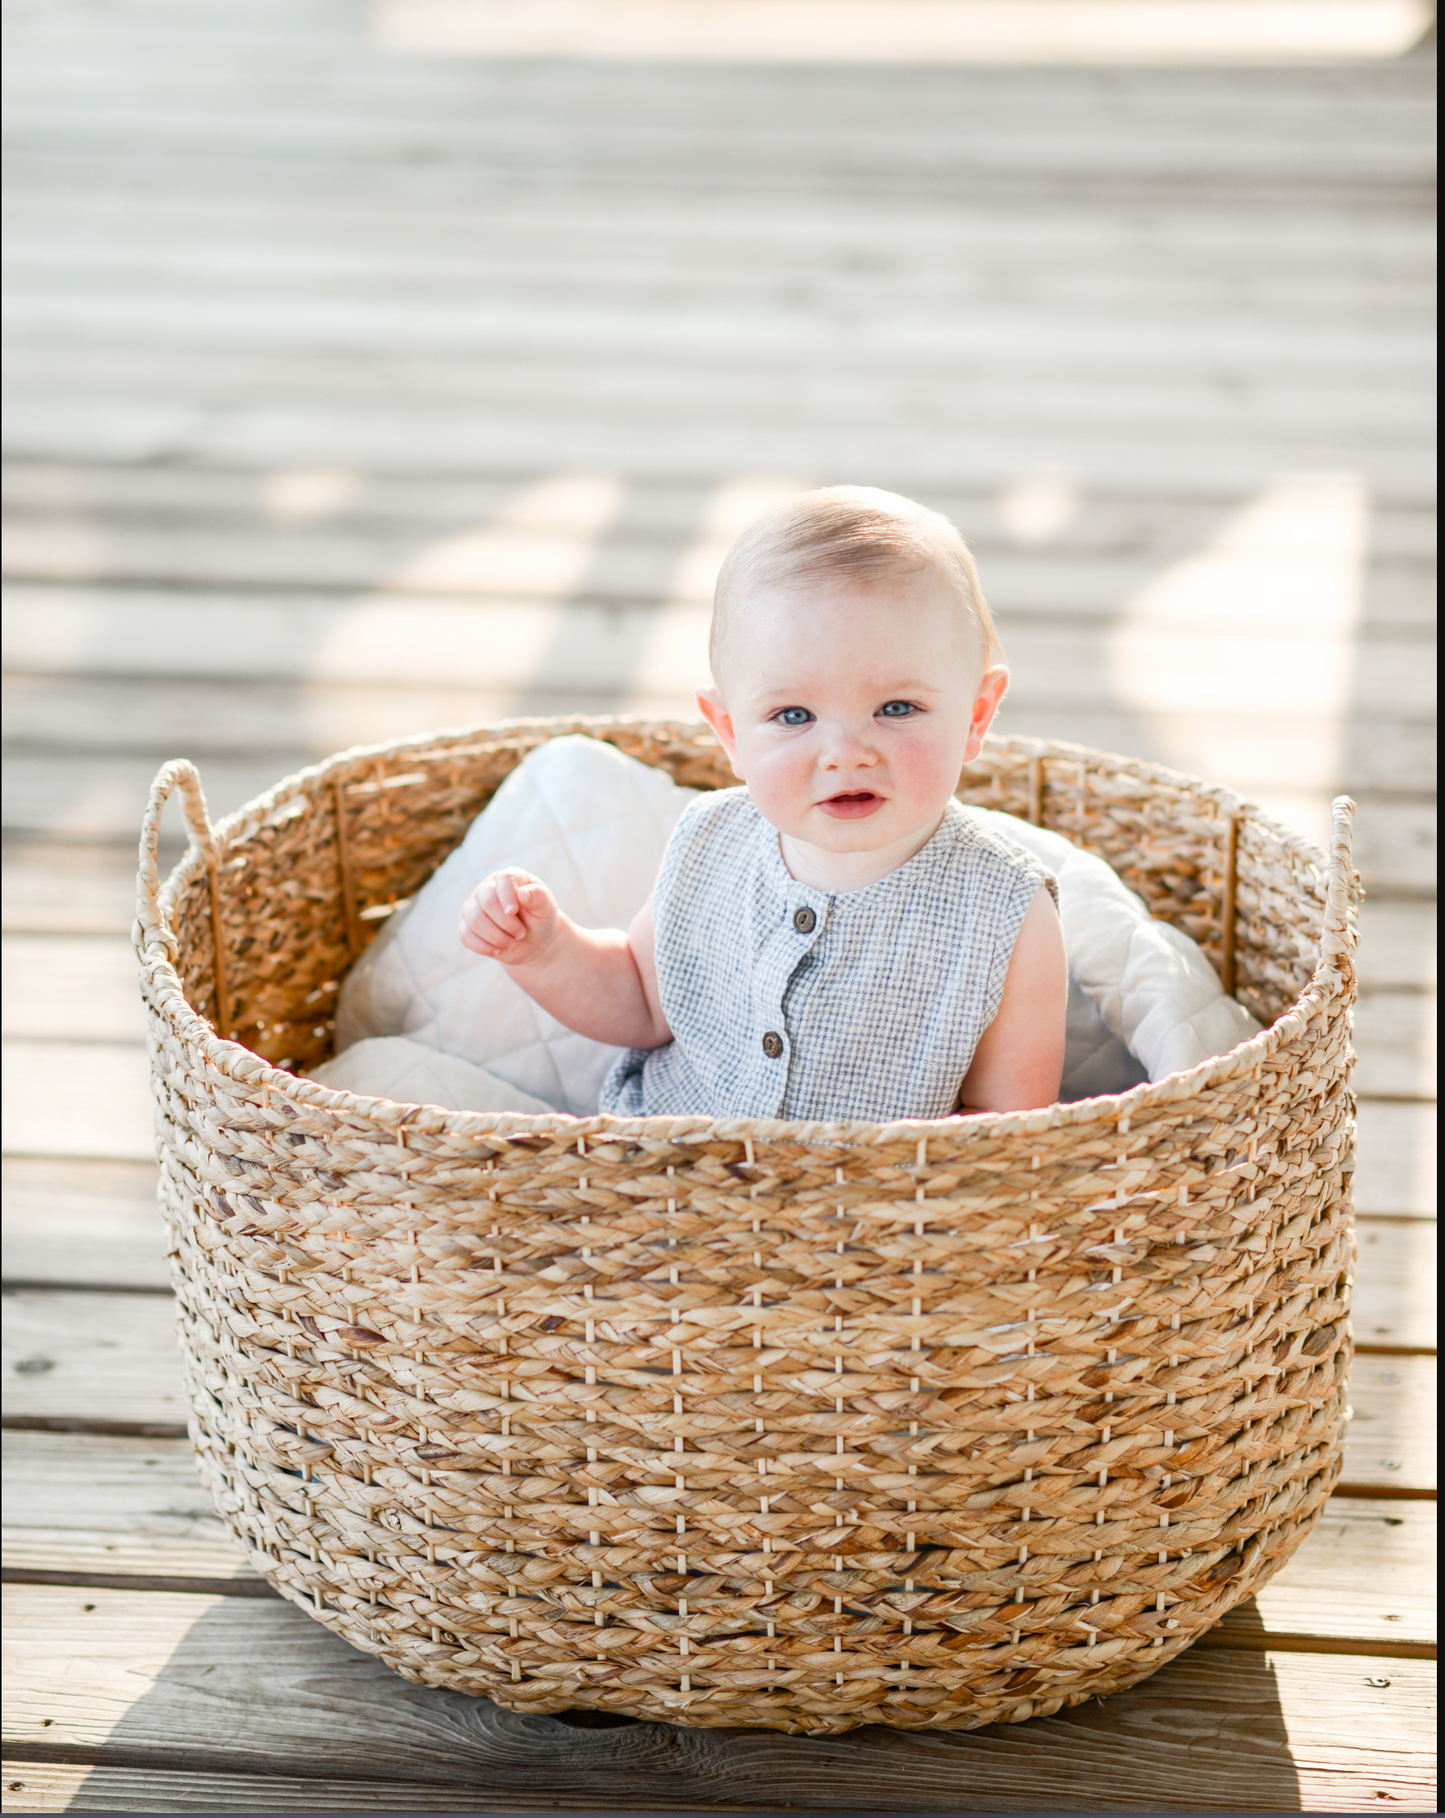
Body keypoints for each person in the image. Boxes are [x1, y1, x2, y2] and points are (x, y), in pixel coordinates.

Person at [458, 487, 1067, 1120]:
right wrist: (546, 950)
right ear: (729, 732)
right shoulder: (711, 840)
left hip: (867, 1210)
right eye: (793, 715)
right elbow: (642, 1000)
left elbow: (1006, 1138)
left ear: (976, 717)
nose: (845, 754)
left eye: (897, 708)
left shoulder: (1005, 912)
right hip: (655, 1177)